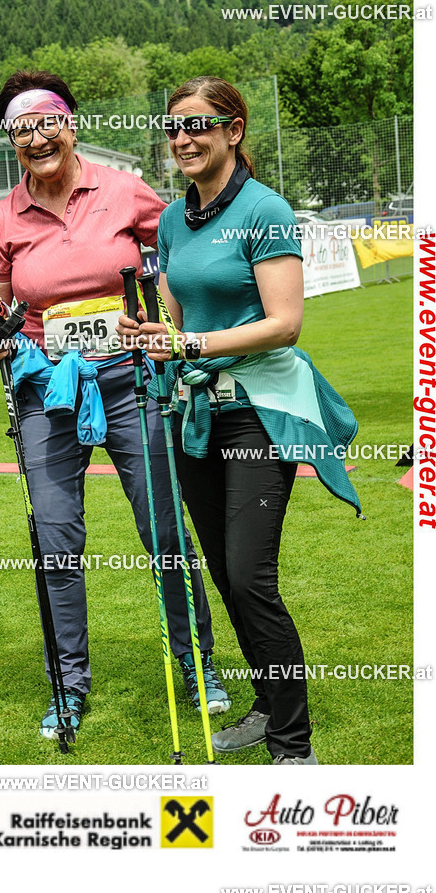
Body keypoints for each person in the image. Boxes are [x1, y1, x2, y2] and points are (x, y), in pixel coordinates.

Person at [0, 70, 230, 740]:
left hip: (129, 381)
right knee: (56, 541)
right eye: (21, 128)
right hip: (45, 390)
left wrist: (168, 321)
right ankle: (68, 684)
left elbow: (178, 249)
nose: (36, 137)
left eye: (47, 122)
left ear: (70, 125)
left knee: (164, 531)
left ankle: (197, 665)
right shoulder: (1, 218)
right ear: (11, 140)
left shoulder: (122, 190)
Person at [118, 76, 363, 765]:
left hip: (257, 413)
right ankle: (267, 704)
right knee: (226, 577)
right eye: (174, 128)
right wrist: (149, 331)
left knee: (251, 577)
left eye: (199, 125)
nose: (183, 138)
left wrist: (190, 344)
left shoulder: (265, 209)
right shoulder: (173, 219)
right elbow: (174, 318)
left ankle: (293, 745)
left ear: (233, 131)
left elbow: (284, 324)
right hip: (195, 413)